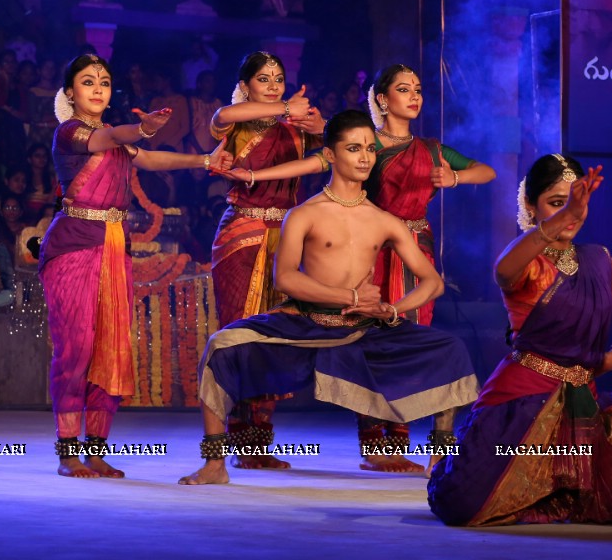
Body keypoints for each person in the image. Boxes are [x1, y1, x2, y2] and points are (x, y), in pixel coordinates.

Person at [179, 110, 479, 486]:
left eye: (370, 148)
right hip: (305, 322)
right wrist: (349, 294)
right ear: (331, 155)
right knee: (221, 344)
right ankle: (214, 464)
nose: (365, 157)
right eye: (354, 148)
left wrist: (391, 309)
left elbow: (432, 282)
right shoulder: (304, 215)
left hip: (364, 328)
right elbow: (285, 278)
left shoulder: (385, 220)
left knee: (450, 350)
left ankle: (441, 463)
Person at [427, 153, 612, 526]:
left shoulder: (599, 261)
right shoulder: (526, 260)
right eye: (557, 203)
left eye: (579, 203)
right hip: (523, 401)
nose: (572, 214)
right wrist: (569, 212)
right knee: (463, 503)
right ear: (531, 205)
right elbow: (503, 269)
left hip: (583, 402)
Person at [39, 53, 231, 479]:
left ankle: (95, 448)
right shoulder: (71, 133)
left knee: (111, 347)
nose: (97, 88)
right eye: (88, 82)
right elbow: (120, 138)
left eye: (104, 81)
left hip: (113, 247)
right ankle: (68, 451)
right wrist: (141, 128)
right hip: (74, 246)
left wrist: (203, 161)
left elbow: (149, 157)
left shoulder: (116, 138)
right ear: (70, 93)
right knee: (77, 348)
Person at [205, 50, 326, 466]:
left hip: (286, 238)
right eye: (263, 78)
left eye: (278, 77)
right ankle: (235, 441)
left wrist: (317, 125)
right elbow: (220, 114)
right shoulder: (234, 123)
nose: (273, 84)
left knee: (278, 338)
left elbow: (328, 156)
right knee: (244, 336)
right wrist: (284, 109)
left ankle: (259, 444)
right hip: (242, 235)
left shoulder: (295, 127)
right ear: (247, 86)